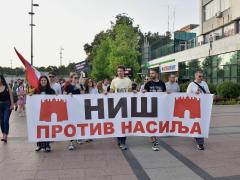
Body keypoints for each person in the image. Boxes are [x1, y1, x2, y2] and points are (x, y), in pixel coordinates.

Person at [110, 65, 132, 150]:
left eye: (121, 71)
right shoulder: (114, 81)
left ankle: (123, 142)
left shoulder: (128, 80)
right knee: (118, 123)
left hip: (125, 105)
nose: (119, 72)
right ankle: (119, 139)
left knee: (125, 123)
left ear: (124, 72)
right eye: (118, 71)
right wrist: (106, 94)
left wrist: (133, 92)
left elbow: (129, 93)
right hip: (116, 106)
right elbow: (111, 92)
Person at [143, 69, 166, 151]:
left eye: (152, 73)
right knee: (152, 122)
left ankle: (153, 137)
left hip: (159, 107)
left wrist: (168, 93)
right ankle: (154, 140)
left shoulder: (162, 83)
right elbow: (144, 92)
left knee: (157, 123)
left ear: (156, 74)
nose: (151, 75)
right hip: (151, 107)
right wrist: (143, 91)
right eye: (150, 73)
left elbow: (164, 93)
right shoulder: (148, 83)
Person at [187, 71, 210, 151]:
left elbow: (208, 93)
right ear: (195, 76)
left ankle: (196, 136)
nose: (201, 78)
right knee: (198, 123)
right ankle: (200, 143)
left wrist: (209, 95)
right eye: (199, 76)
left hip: (203, 107)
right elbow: (187, 95)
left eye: (202, 76)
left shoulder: (204, 83)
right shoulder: (191, 84)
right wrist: (194, 94)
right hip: (194, 107)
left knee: (201, 123)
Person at [34, 76, 55, 152]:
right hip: (38, 113)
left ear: (47, 81)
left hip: (48, 113)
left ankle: (47, 145)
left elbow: (54, 101)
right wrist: (30, 97)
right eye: (42, 80)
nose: (43, 81)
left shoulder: (51, 91)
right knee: (39, 129)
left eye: (44, 80)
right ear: (40, 81)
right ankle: (39, 145)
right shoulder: (36, 90)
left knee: (47, 129)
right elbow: (32, 101)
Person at [64, 72, 82, 150]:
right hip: (70, 108)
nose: (76, 79)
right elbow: (64, 95)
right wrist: (68, 95)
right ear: (71, 78)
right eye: (75, 78)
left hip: (78, 108)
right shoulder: (68, 86)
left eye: (77, 78)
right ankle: (71, 142)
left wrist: (80, 88)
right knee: (71, 124)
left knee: (78, 123)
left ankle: (78, 137)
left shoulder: (80, 85)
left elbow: (84, 96)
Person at [0, 75, 14, 143]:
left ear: (1, 79)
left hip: (7, 105)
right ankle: (3, 134)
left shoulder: (7, 86)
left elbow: (11, 95)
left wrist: (12, 104)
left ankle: (5, 135)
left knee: (5, 120)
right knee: (1, 121)